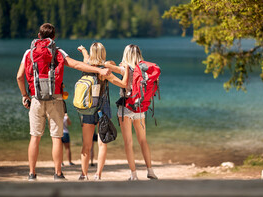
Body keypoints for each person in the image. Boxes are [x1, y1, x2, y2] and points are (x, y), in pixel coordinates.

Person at [16, 23, 110, 181]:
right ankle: (58, 173)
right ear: (54, 37)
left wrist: (25, 95)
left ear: (39, 36)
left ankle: (32, 174)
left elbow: (19, 77)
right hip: (56, 99)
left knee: (34, 137)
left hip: (36, 99)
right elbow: (76, 64)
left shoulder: (28, 53)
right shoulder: (57, 51)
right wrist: (99, 70)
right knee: (56, 137)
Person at [104, 44, 158, 180]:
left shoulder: (124, 68)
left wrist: (106, 63)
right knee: (143, 140)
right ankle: (150, 171)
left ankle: (133, 175)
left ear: (126, 54)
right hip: (140, 107)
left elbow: (107, 66)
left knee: (128, 142)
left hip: (126, 108)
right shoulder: (144, 70)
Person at [77, 42, 128, 180]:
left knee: (86, 145)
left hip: (87, 108)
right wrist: (126, 70)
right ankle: (98, 174)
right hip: (102, 109)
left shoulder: (86, 65)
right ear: (103, 53)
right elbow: (122, 84)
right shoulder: (104, 70)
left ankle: (83, 174)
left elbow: (86, 56)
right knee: (102, 143)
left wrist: (83, 50)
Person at [62, 102, 74, 166]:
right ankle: (69, 162)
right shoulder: (65, 116)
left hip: (59, 133)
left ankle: (61, 162)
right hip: (66, 133)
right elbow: (69, 123)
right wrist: (67, 117)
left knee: (59, 148)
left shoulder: (57, 115)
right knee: (67, 148)